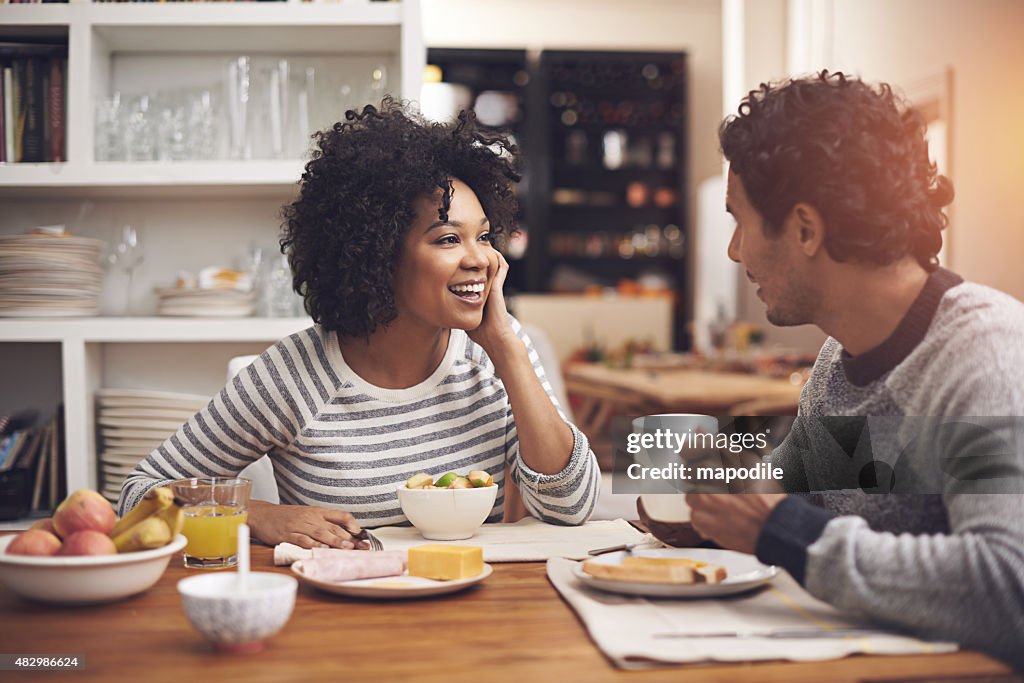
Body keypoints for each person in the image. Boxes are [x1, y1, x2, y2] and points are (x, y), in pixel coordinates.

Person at [643, 71, 1024, 668]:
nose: (734, 251)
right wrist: (708, 511)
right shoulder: (838, 362)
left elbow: (1007, 588)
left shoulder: (986, 355)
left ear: (804, 229)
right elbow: (784, 488)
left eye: (739, 221)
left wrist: (780, 531)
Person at [119, 98, 600, 549]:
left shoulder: (496, 358)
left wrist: (506, 349)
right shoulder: (292, 375)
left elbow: (571, 507)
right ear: (379, 253)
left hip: (472, 615)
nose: (481, 260)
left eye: (485, 237)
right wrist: (257, 515)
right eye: (449, 238)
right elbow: (138, 494)